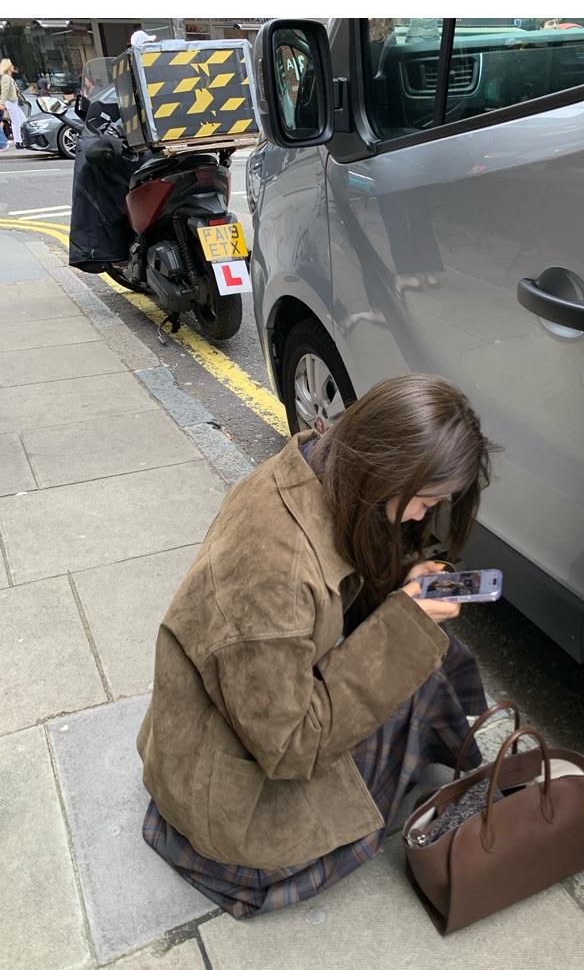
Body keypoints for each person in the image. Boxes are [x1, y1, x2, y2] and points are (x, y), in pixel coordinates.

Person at [137, 373, 493, 917]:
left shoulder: (317, 467)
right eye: (425, 501)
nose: (424, 515)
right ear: (384, 471)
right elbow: (291, 747)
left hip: (226, 729)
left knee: (426, 648)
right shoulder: (276, 576)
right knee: (417, 664)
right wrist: (405, 624)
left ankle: (425, 752)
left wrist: (403, 578)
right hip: (230, 806)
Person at [0, 60, 25, 149]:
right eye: (11, 65)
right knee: (16, 122)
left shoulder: (9, 78)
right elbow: (5, 91)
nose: (12, 66)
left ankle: (22, 140)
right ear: (7, 67)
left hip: (14, 102)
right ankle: (18, 142)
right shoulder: (6, 78)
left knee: (23, 120)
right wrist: (2, 103)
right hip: (10, 102)